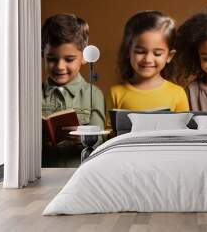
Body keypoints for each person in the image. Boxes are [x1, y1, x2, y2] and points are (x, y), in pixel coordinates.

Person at [42, 13, 105, 166]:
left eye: (69, 59)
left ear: (84, 57)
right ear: (42, 54)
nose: (59, 67)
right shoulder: (31, 95)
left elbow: (101, 141)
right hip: (41, 174)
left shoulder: (93, 94)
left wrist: (84, 138)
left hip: (79, 173)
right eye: (51, 59)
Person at [106, 10, 189, 119]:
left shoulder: (178, 94)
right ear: (128, 51)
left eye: (157, 53)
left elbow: (184, 133)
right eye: (140, 52)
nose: (148, 59)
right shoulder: (115, 93)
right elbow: (108, 132)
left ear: (169, 56)